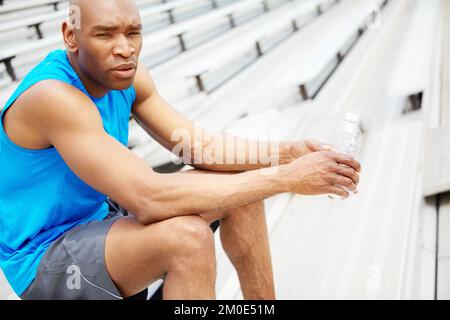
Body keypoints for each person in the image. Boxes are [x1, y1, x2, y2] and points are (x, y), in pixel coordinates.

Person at [0, 0, 361, 300]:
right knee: (187, 240)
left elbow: (198, 146)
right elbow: (149, 197)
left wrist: (288, 153)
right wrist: (287, 178)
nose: (124, 48)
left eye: (133, 33)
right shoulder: (52, 97)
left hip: (99, 219)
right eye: (105, 34)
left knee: (239, 187)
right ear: (70, 36)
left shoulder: (126, 72)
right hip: (45, 258)